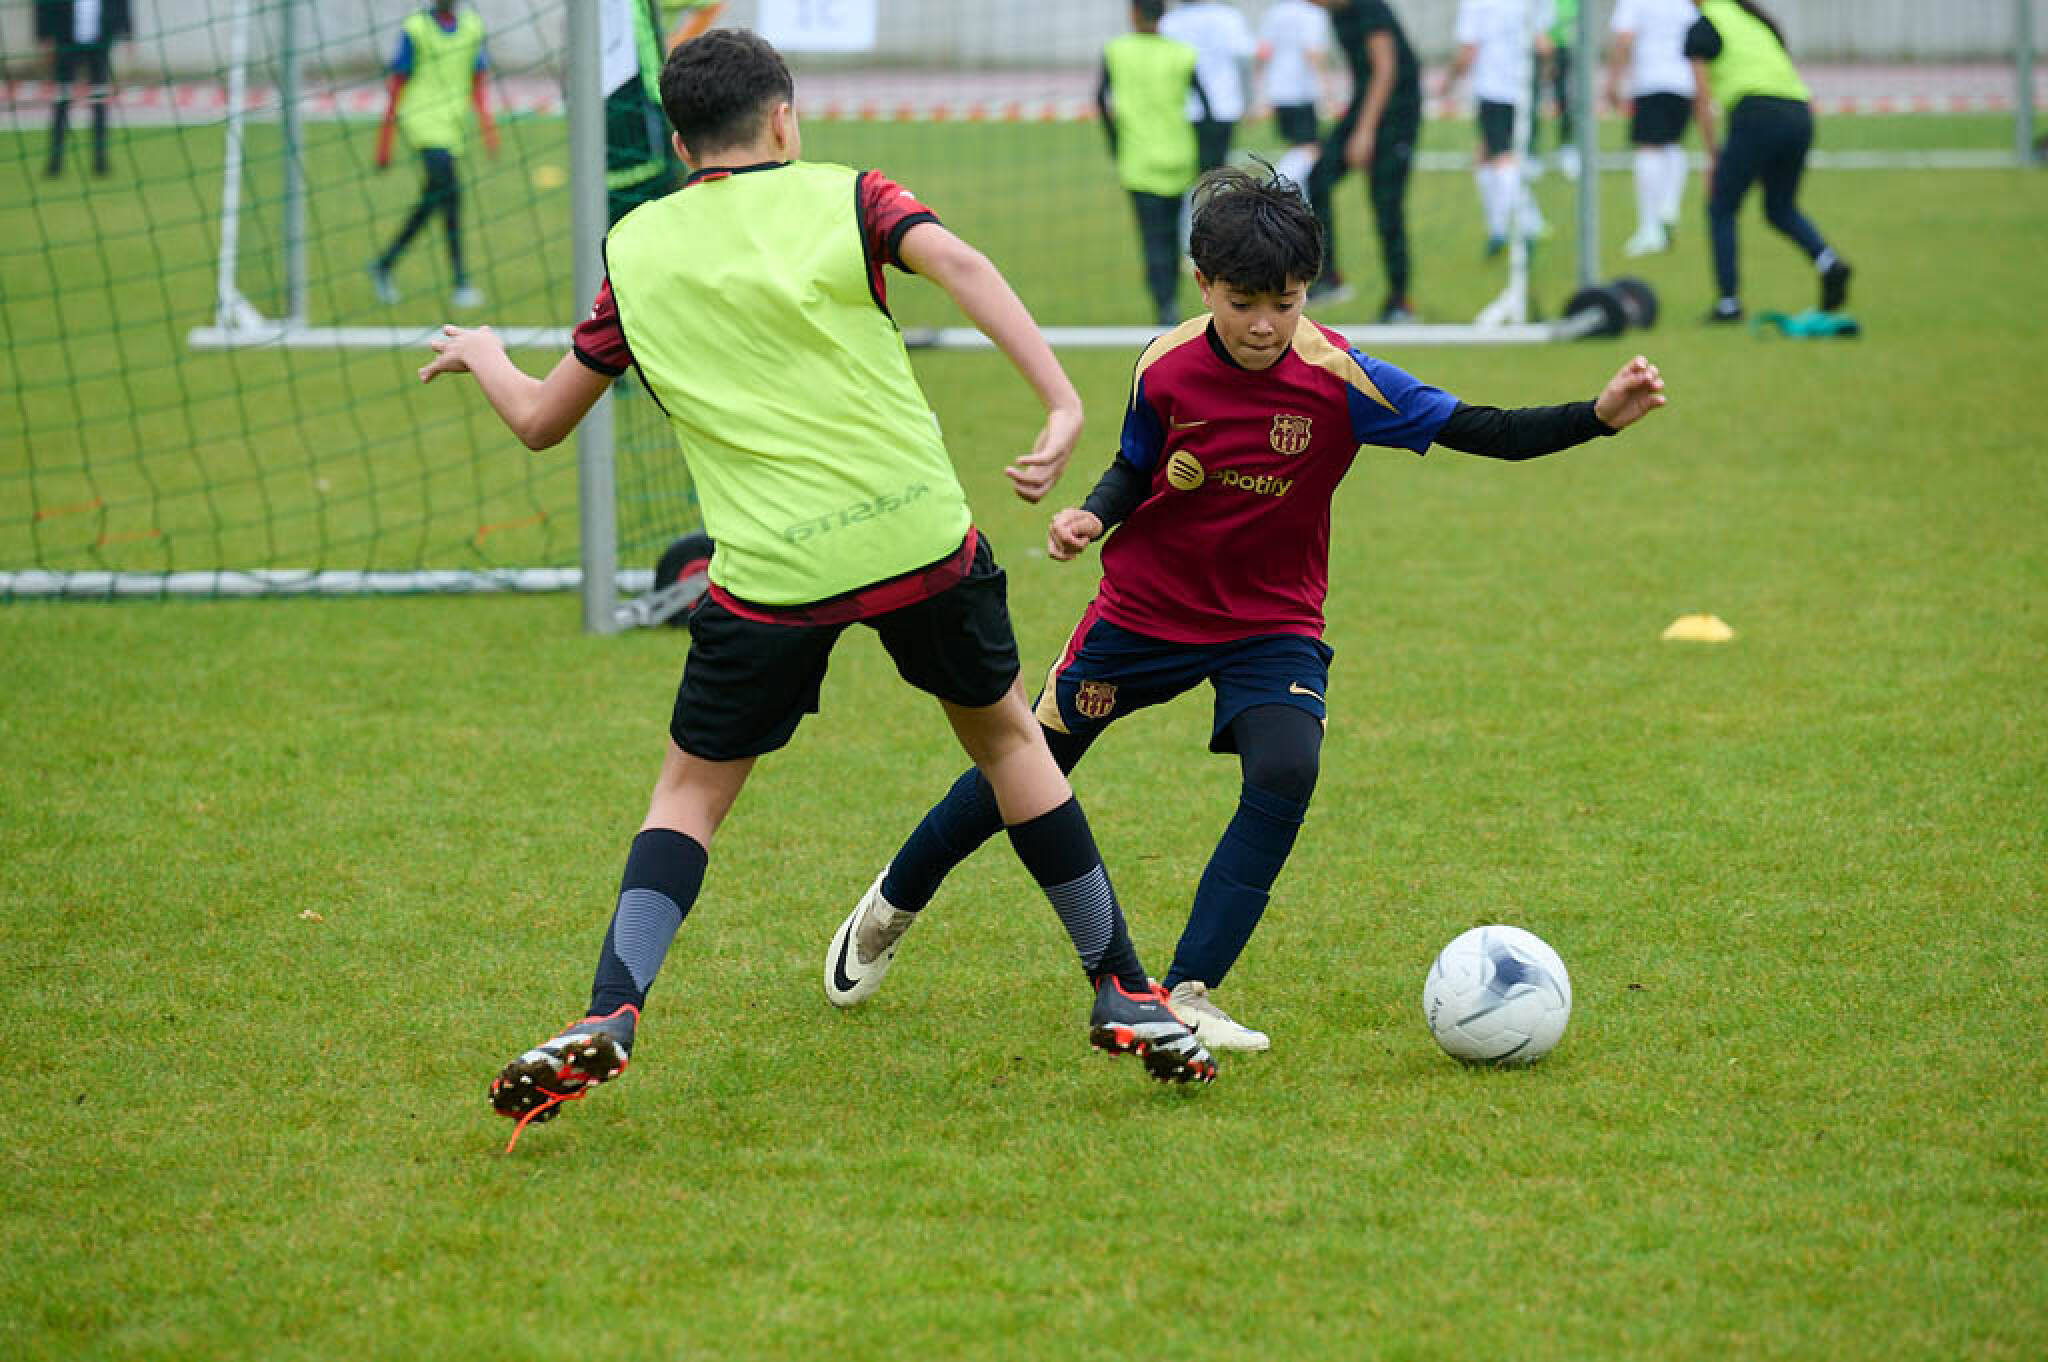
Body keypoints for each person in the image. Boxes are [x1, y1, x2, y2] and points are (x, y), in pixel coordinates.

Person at [418, 28, 1216, 1149]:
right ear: (783, 117)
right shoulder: (851, 194)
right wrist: (1060, 403)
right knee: (1007, 742)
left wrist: (487, 352)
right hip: (917, 537)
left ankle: (611, 1010)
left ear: (680, 143)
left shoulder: (633, 250)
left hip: (772, 574)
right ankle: (1122, 986)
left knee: (688, 797)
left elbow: (543, 421)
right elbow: (963, 265)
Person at [820, 166, 1667, 1055]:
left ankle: (1189, 991)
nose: (1264, 324)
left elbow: (1483, 429)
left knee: (1287, 768)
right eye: (1242, 303)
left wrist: (1598, 416)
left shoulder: (1341, 376)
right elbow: (1136, 463)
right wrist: (1093, 516)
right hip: (1144, 614)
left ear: (1308, 293)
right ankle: (890, 905)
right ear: (1204, 285)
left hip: (1272, 624)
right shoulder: (1166, 364)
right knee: (1023, 769)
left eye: (1285, 303)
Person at [1685, 0, 1851, 322]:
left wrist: (1712, 156)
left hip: (1756, 115)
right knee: (1779, 207)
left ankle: (1728, 304)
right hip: (1799, 115)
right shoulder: (1753, 19)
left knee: (1721, 206)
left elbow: (1701, 98)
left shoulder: (1704, 27)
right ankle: (1828, 263)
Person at [370, 0, 498, 309]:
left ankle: (384, 265)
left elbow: (477, 81)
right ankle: (460, 284)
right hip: (422, 122)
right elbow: (396, 85)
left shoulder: (472, 28)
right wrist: (384, 141)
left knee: (435, 200)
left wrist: (487, 127)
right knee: (451, 197)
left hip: (452, 126)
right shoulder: (416, 28)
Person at [1302, 0, 1423, 324]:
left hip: (1396, 114)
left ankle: (1400, 300)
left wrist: (1365, 131)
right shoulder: (1336, 14)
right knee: (1318, 179)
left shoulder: (1370, 9)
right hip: (1363, 105)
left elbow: (1385, 70)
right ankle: (1329, 275)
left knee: (1386, 205)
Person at [1099, 1, 1210, 327]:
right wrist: (1204, 153)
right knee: (1174, 234)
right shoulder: (1182, 53)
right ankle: (1171, 300)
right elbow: (1205, 106)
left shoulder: (1116, 51)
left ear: (1133, 14)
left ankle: (1164, 306)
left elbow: (1100, 99)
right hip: (1179, 157)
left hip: (1138, 160)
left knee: (1152, 238)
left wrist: (1114, 143)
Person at [1440, 0, 1554, 259]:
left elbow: (1468, 50)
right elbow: (1543, 44)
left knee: (1502, 158)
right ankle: (1498, 229)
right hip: (1522, 89)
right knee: (1484, 155)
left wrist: (1449, 81)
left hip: (1493, 89)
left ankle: (1527, 224)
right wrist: (1544, 73)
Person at [1605, 0, 1697, 257]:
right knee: (1672, 144)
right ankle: (1669, 207)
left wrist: (1613, 81)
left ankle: (1649, 227)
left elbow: (1624, 38)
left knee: (1648, 149)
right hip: (1684, 81)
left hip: (1651, 80)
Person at [603, 0, 684, 223]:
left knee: (653, 207)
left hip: (640, 107)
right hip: (597, 105)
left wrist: (675, 50)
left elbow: (712, 5)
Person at [35, 0, 132, 179]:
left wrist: (127, 33)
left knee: (99, 105)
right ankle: (55, 162)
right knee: (62, 104)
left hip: (99, 45)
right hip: (66, 43)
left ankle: (100, 161)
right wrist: (44, 36)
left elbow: (121, 6)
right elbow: (45, 6)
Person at [1160, 0, 1256, 177]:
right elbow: (1243, 60)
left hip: (1183, 108)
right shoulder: (1228, 17)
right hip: (1222, 104)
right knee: (1216, 170)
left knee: (1186, 169)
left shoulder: (1170, 21)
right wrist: (1249, 101)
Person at [1257, 0, 1333, 193]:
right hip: (1302, 91)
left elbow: (1263, 52)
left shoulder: (1274, 12)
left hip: (1278, 89)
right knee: (1310, 148)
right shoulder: (1312, 13)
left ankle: (1296, 194)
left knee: (1298, 147)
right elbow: (1312, 52)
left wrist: (1262, 93)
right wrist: (1326, 92)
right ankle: (1277, 187)